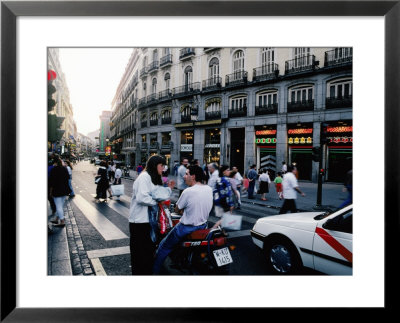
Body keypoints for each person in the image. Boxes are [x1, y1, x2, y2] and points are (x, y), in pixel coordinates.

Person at [152, 165, 212, 274]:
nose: (184, 176)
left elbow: (177, 209)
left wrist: (182, 211)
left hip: (186, 228)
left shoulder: (188, 191)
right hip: (203, 226)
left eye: (187, 174)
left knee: (163, 247)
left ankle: (154, 273)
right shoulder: (208, 189)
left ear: (193, 176)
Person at [129, 155, 175, 275]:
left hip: (149, 221)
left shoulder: (153, 178)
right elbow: (142, 198)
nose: (163, 169)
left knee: (148, 253)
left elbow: (159, 194)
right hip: (139, 221)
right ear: (155, 166)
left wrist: (168, 190)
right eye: (161, 166)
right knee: (140, 255)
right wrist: (157, 201)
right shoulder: (144, 177)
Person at [49, 156, 71, 227]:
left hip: (57, 190)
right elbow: (68, 178)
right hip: (64, 190)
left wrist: (51, 191)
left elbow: (51, 182)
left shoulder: (54, 169)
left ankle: (62, 221)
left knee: (58, 206)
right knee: (60, 205)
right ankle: (57, 218)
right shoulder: (64, 169)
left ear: (55, 163)